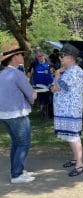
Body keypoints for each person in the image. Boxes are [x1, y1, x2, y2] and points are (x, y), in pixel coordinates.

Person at [0, 43, 37, 183]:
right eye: (20, 54)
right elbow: (31, 94)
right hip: (17, 114)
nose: (23, 56)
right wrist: (35, 96)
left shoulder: (2, 74)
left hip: (4, 114)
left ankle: (17, 170)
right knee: (23, 143)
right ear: (14, 57)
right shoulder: (17, 74)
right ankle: (17, 174)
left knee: (16, 143)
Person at [50, 43, 83, 176]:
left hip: (70, 110)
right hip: (65, 110)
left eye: (62, 56)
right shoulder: (70, 71)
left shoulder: (75, 71)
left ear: (71, 57)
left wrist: (57, 74)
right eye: (60, 55)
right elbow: (56, 88)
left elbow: (57, 87)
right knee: (70, 136)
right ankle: (76, 158)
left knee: (73, 137)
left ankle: (79, 165)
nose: (60, 58)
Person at [27, 50, 54, 117]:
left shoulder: (49, 64)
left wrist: (54, 80)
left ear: (44, 56)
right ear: (36, 57)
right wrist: (27, 80)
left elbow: (54, 72)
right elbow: (29, 72)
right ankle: (42, 111)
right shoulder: (34, 63)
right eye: (38, 56)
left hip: (48, 85)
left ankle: (50, 113)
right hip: (38, 86)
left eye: (41, 56)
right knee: (41, 98)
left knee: (50, 99)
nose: (40, 57)